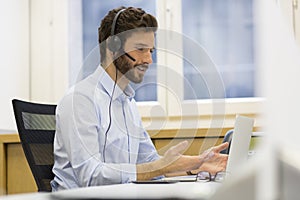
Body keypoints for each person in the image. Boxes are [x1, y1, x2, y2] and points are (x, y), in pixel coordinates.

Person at [51, 6, 229, 191]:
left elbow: (151, 164)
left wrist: (198, 165)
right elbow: (91, 176)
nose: (148, 59)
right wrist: (160, 167)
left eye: (150, 51)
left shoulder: (128, 103)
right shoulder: (80, 100)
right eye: (140, 49)